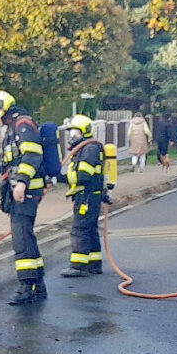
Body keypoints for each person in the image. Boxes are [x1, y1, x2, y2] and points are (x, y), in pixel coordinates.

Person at [0, 90, 46, 304]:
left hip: (25, 191)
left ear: (2, 108)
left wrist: (22, 183)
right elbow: (4, 158)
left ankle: (26, 286)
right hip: (21, 191)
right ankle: (38, 285)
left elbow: (32, 154)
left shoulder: (23, 125)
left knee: (21, 238)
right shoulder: (13, 129)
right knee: (27, 236)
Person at [60, 114, 116, 278]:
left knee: (80, 229)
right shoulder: (89, 148)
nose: (72, 137)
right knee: (90, 229)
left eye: (75, 133)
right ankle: (94, 263)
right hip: (90, 195)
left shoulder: (89, 149)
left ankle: (78, 265)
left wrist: (61, 178)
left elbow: (84, 176)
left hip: (87, 196)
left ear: (84, 132)